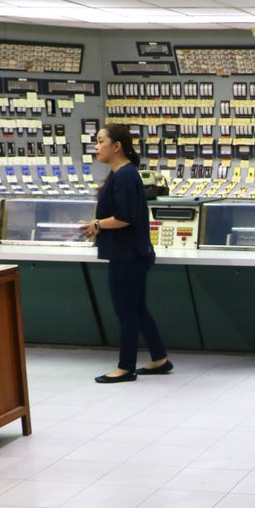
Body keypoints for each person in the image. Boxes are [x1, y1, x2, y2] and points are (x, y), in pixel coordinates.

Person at [80, 123, 172, 383]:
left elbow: (125, 217)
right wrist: (98, 226)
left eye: (100, 141)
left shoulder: (124, 176)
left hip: (127, 256)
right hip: (132, 253)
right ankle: (160, 359)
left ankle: (126, 367)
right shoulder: (123, 174)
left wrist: (97, 225)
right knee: (138, 309)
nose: (96, 147)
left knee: (126, 312)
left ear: (117, 146)